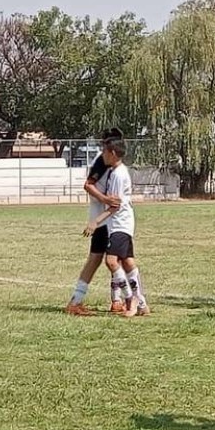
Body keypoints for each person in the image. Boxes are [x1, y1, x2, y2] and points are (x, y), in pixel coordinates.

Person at [83, 137, 148, 317]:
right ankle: (142, 304)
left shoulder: (119, 174)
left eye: (104, 151)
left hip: (121, 224)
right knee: (127, 262)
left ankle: (131, 297)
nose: (102, 155)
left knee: (111, 261)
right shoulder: (115, 171)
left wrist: (96, 221)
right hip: (118, 224)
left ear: (112, 153)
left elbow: (115, 206)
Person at [65, 128, 124, 316]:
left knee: (107, 260)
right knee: (105, 260)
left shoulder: (113, 161)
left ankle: (115, 301)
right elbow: (88, 184)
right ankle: (78, 301)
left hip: (109, 218)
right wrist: (105, 200)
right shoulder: (102, 160)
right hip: (103, 220)